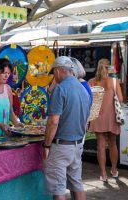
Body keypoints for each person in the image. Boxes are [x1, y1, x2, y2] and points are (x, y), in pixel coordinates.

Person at [43, 56, 91, 200]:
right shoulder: (83, 89)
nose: (54, 76)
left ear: (58, 70)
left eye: (53, 73)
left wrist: (46, 145)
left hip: (61, 146)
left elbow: (53, 121)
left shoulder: (60, 89)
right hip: (77, 144)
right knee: (77, 185)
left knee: (59, 190)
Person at [88, 58, 123, 182]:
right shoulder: (114, 81)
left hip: (97, 116)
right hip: (112, 116)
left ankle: (103, 174)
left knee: (100, 146)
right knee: (113, 144)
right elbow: (121, 99)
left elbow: (87, 100)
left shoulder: (91, 82)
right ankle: (114, 170)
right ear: (109, 68)